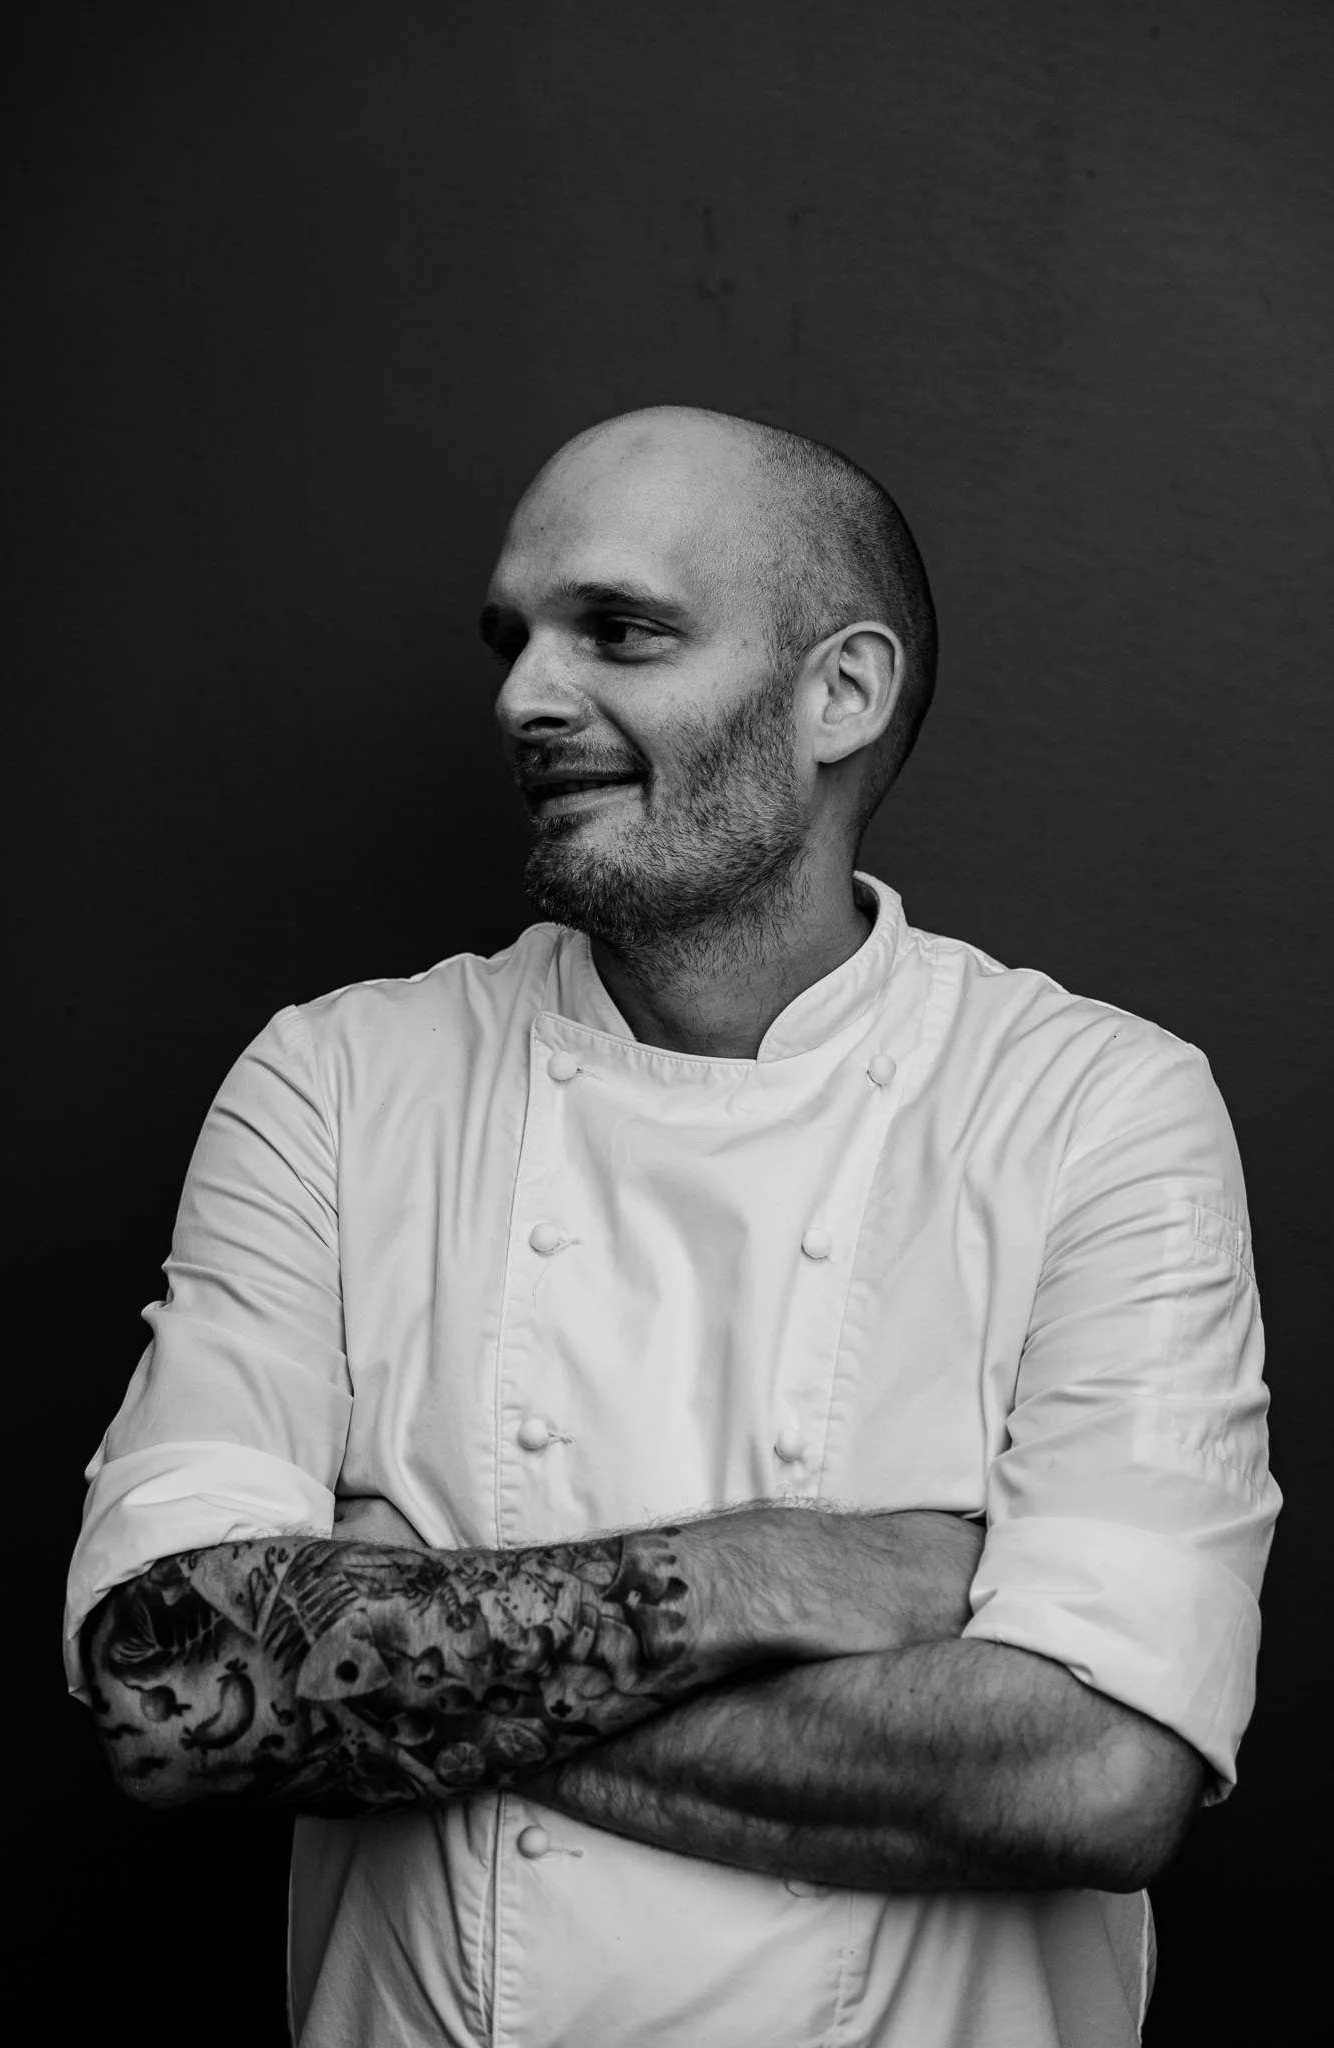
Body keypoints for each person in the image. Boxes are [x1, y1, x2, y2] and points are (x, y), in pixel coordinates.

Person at [67, 406, 1279, 2048]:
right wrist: (766, 1574)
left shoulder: (1094, 1110)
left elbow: (1096, 1775)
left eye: (620, 631)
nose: (523, 698)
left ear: (837, 692)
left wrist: (395, 1635)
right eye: (514, 638)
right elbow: (170, 1685)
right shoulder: (338, 1082)